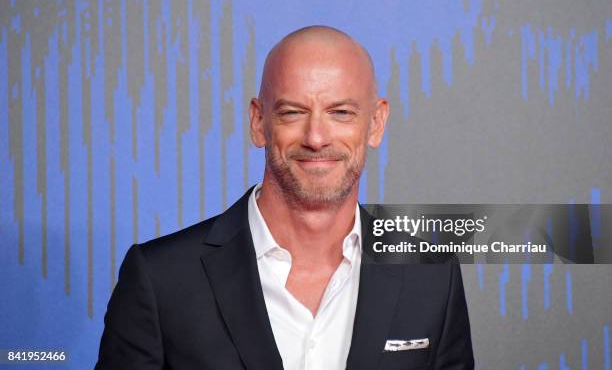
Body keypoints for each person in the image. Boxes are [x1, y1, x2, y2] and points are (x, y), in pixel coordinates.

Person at [94, 25, 474, 370]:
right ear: (259, 122)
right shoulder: (162, 279)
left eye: (341, 113)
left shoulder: (432, 277)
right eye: (293, 113)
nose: (316, 137)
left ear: (376, 123)